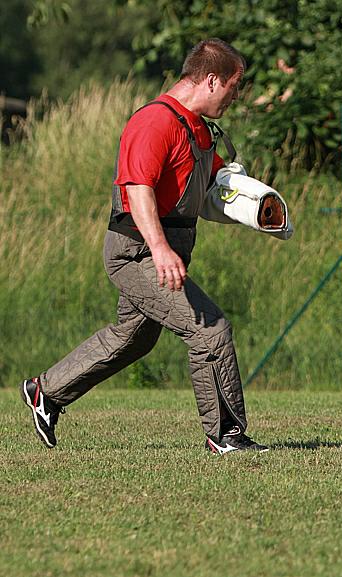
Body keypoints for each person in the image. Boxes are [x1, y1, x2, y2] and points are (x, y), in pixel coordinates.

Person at [21, 38, 269, 454]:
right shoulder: (155, 121)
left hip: (162, 246)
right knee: (209, 330)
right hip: (135, 249)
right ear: (211, 80)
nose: (236, 96)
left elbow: (215, 188)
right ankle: (225, 436)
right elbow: (138, 190)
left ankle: (45, 391)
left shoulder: (198, 128)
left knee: (133, 337)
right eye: (234, 85)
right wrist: (159, 248)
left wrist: (258, 204)